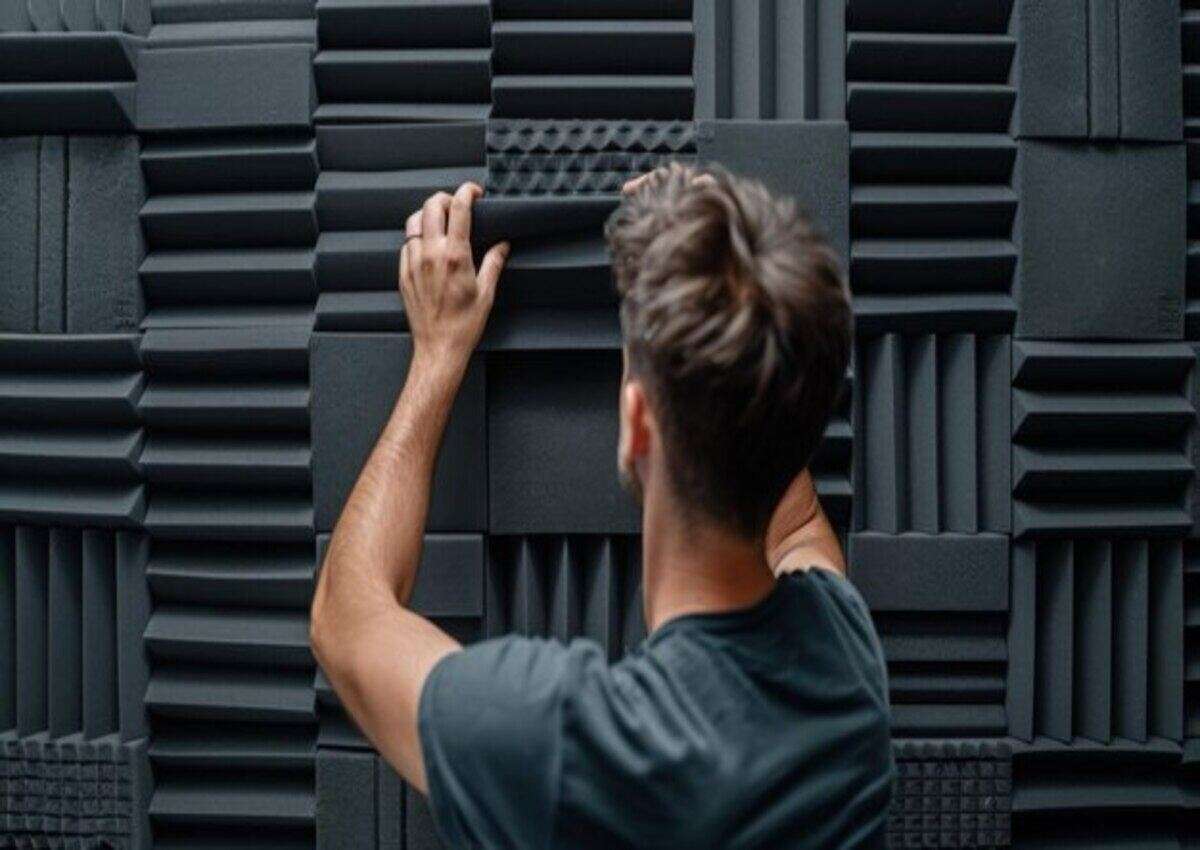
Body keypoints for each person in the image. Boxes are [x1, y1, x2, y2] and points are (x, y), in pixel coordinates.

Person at [310, 164, 895, 849]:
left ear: (637, 421)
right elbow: (796, 527)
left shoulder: (563, 742)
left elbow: (345, 618)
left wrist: (437, 357)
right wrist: (733, 280)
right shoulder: (845, 659)